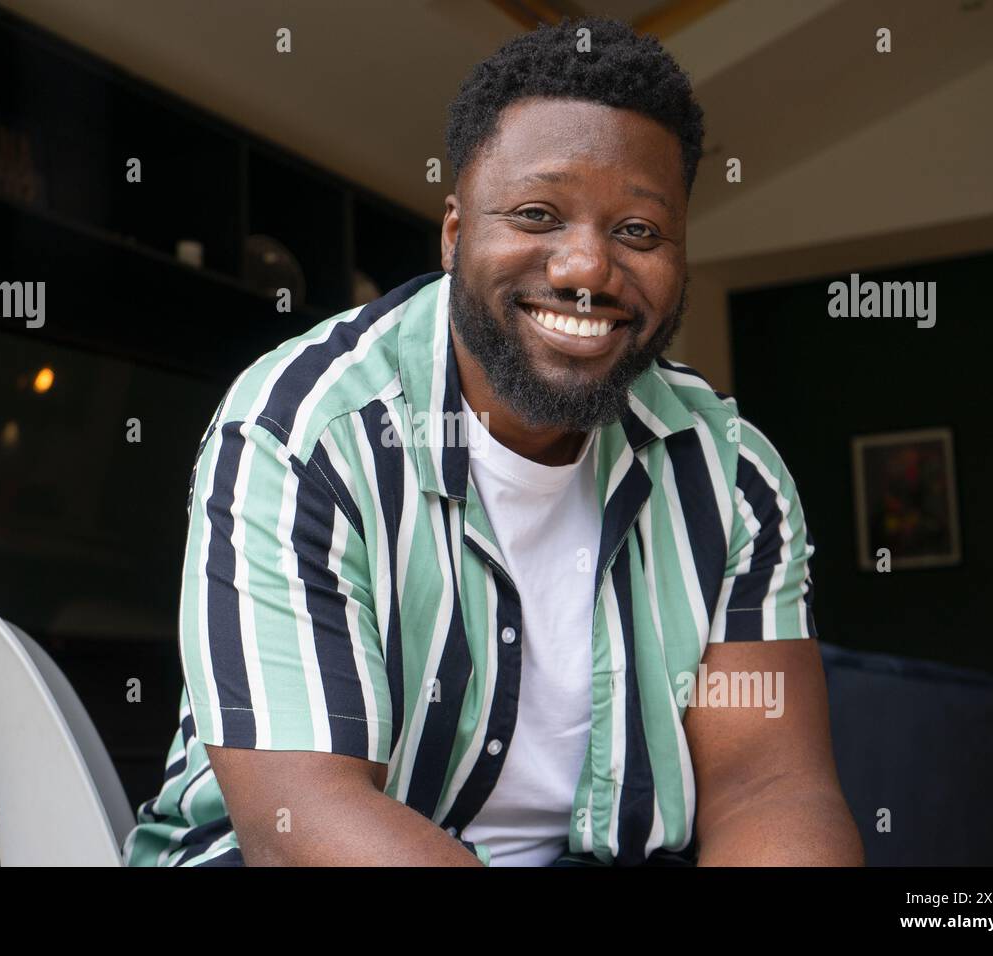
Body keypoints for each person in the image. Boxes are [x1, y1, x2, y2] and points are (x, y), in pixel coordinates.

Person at [124, 15, 863, 867]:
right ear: (453, 234)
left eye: (638, 232)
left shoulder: (731, 475)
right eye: (538, 214)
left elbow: (770, 789)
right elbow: (304, 822)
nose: (586, 269)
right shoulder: (308, 432)